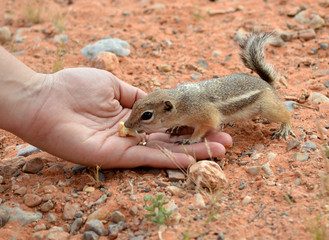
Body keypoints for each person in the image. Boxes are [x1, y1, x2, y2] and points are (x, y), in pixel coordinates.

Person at [0, 46, 232, 169]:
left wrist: (194, 136)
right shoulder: (177, 112)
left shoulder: (189, 110)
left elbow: (211, 120)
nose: (132, 124)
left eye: (147, 117)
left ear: (168, 108)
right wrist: (36, 100)